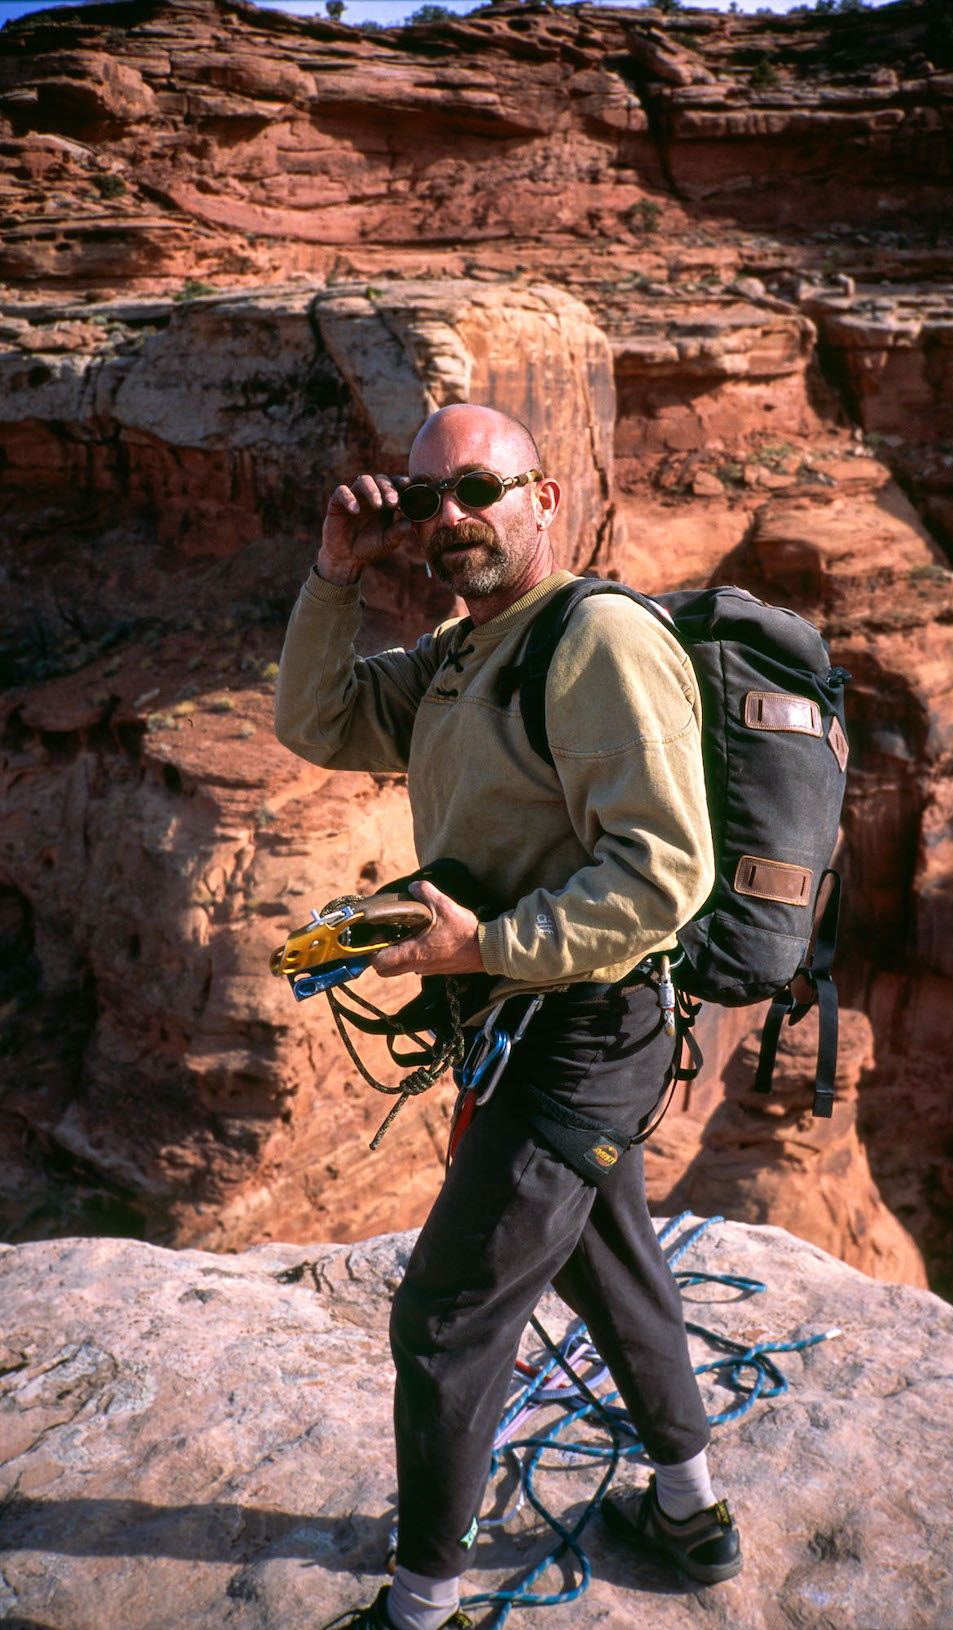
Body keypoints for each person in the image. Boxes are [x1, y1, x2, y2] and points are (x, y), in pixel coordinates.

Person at [274, 403, 743, 1630]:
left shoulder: (592, 641)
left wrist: (487, 944)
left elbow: (662, 874)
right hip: (528, 1020)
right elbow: (315, 722)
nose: (453, 520)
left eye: (482, 490)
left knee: (444, 1315)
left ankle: (421, 1604)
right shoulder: (461, 649)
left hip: (586, 1029)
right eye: (429, 500)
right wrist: (336, 570)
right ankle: (691, 1518)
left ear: (546, 498)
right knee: (608, 1255)